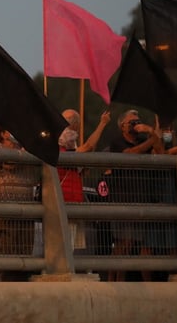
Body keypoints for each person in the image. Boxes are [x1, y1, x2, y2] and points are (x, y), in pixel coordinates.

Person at [106, 109, 161, 281]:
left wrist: (152, 133)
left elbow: (160, 152)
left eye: (138, 121)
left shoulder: (144, 139)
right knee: (123, 243)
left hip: (140, 198)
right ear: (122, 126)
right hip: (123, 199)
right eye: (132, 122)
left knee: (134, 244)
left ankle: (123, 280)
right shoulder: (117, 142)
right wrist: (151, 140)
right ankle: (113, 280)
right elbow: (130, 154)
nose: (136, 125)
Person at [57, 109, 111, 255]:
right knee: (63, 244)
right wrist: (102, 124)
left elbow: (87, 151)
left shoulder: (70, 148)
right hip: (64, 200)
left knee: (70, 243)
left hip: (73, 200)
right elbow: (88, 146)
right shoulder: (60, 149)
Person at [0, 129, 39, 281]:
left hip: (26, 204)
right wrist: (22, 153)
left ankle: (23, 280)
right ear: (2, 133)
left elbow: (35, 173)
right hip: (6, 204)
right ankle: (8, 280)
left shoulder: (27, 148)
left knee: (25, 245)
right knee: (8, 245)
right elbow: (9, 164)